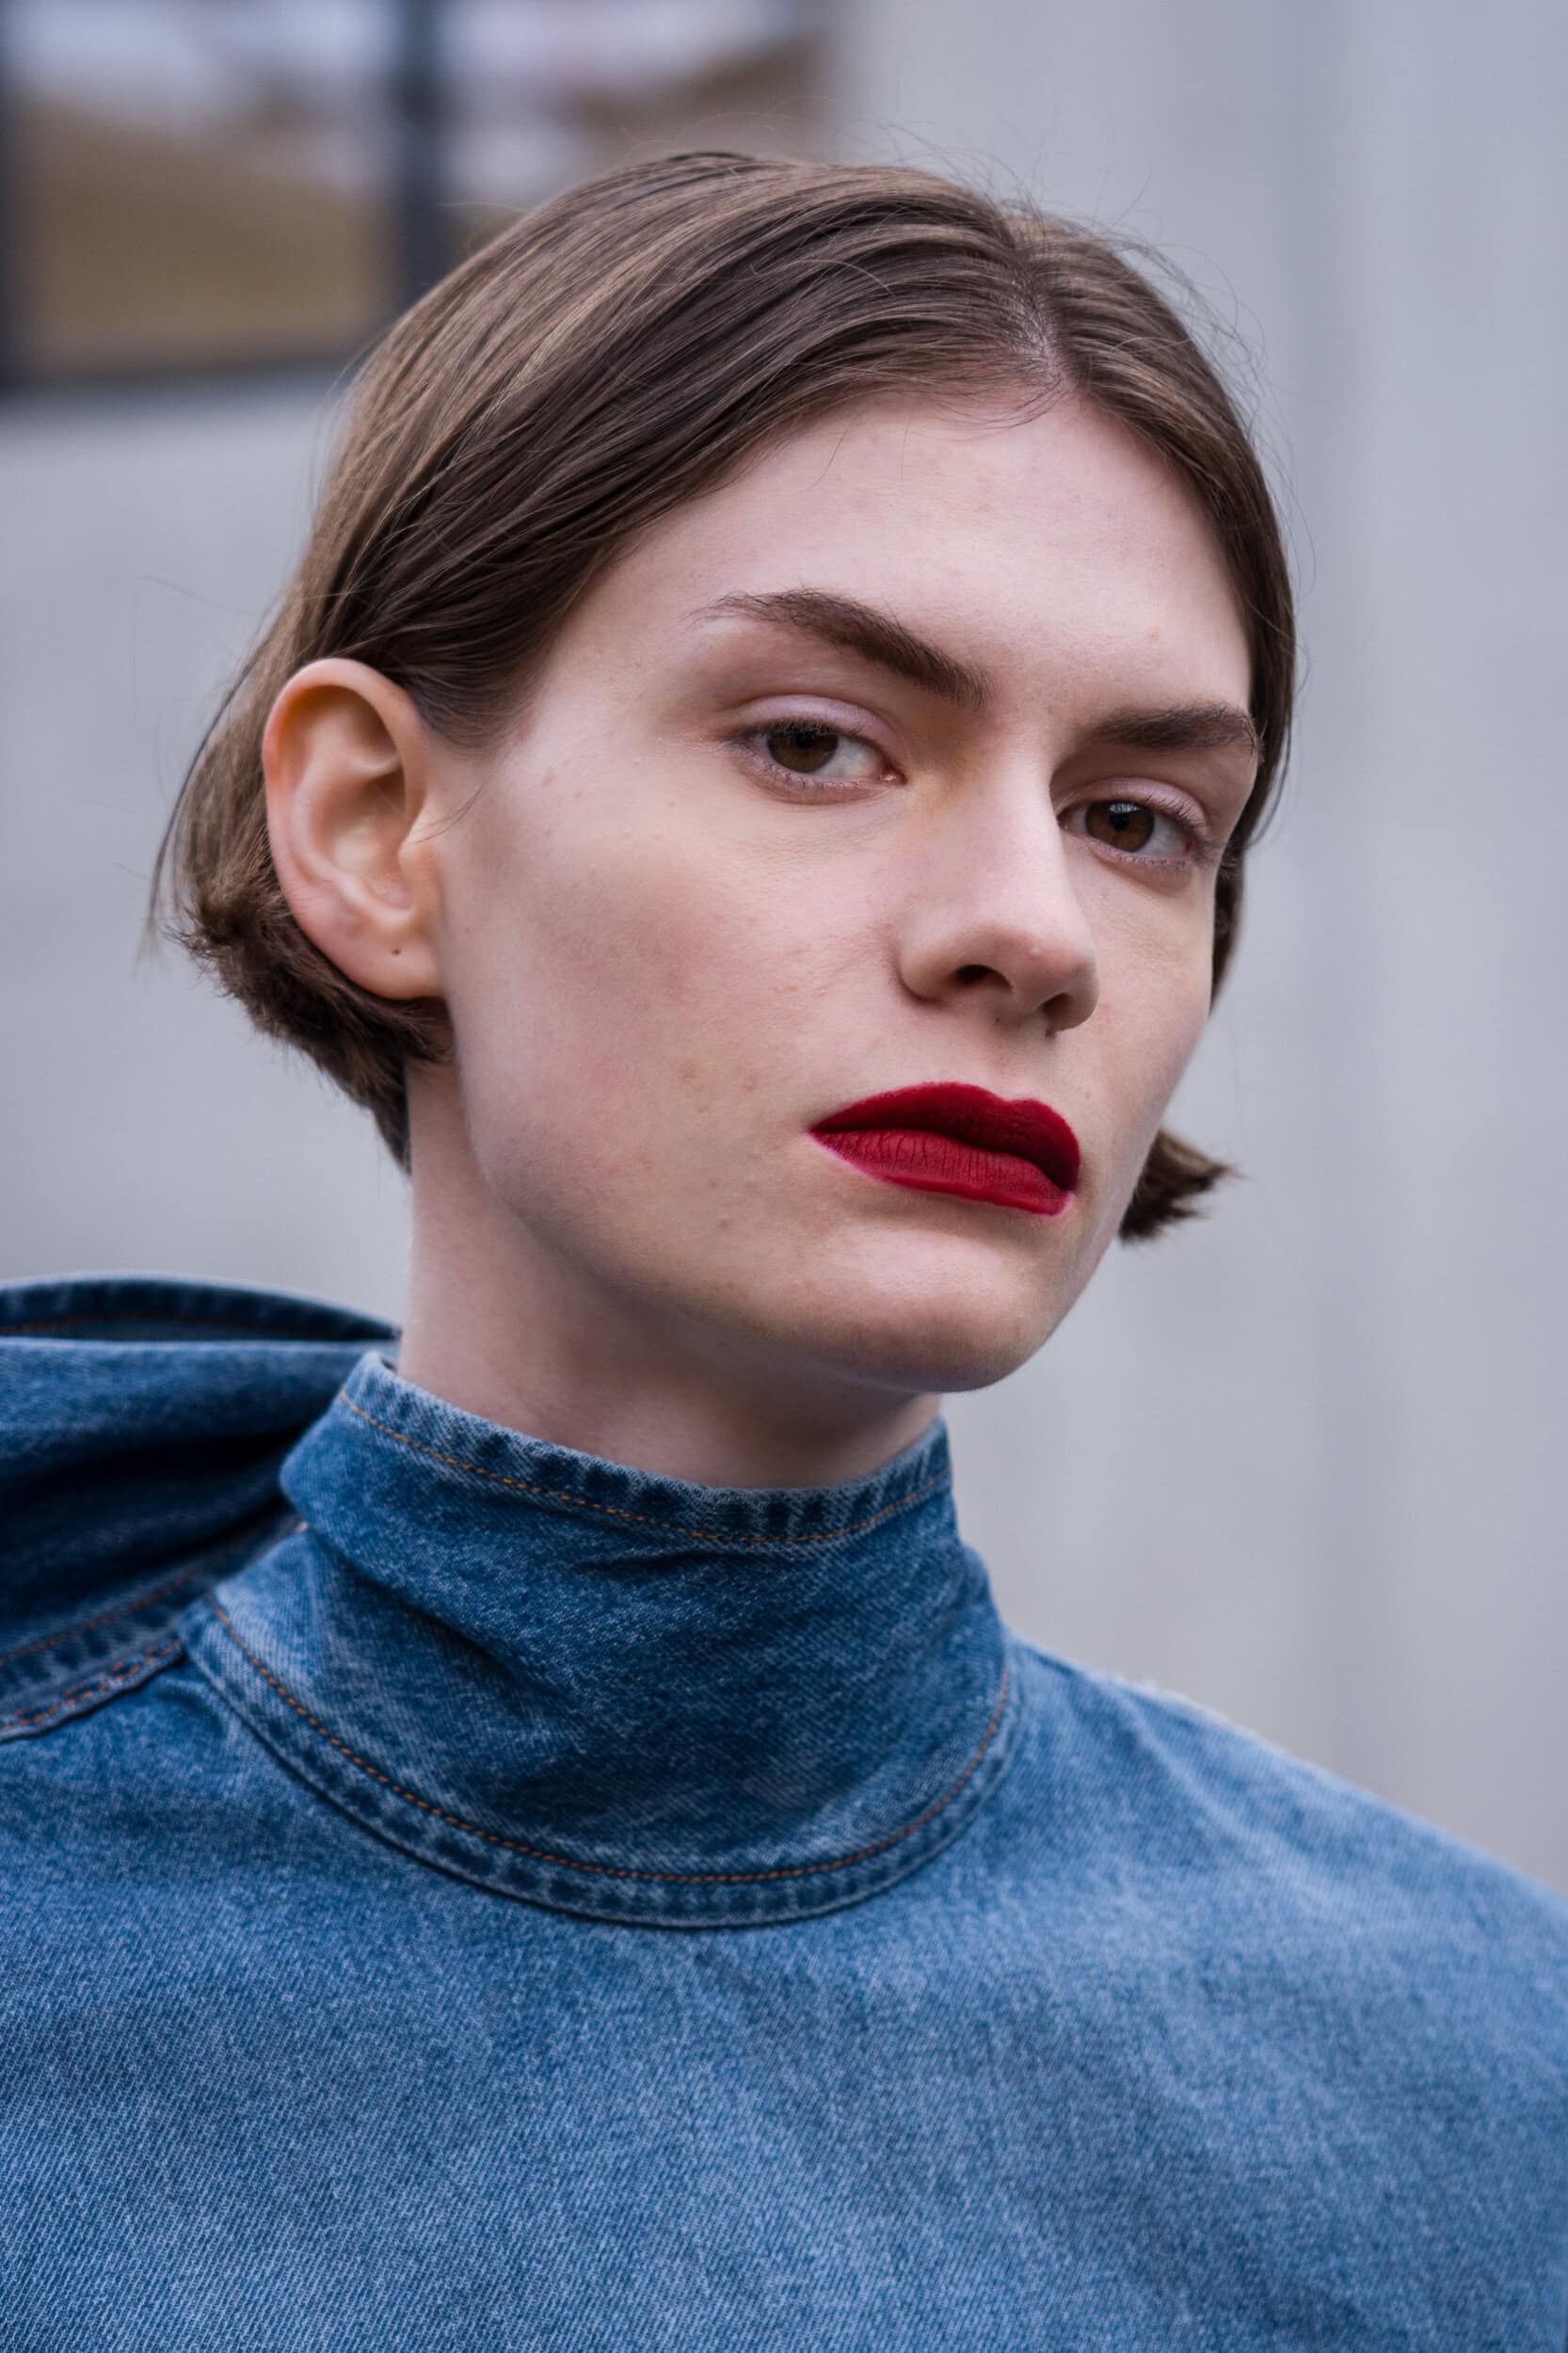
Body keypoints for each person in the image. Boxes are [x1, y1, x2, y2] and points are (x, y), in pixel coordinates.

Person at [3, 152, 1563, 2350]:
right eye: (817, 742)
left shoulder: (1473, 2078)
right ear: (375, 825)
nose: (1029, 928)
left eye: (1133, 819)